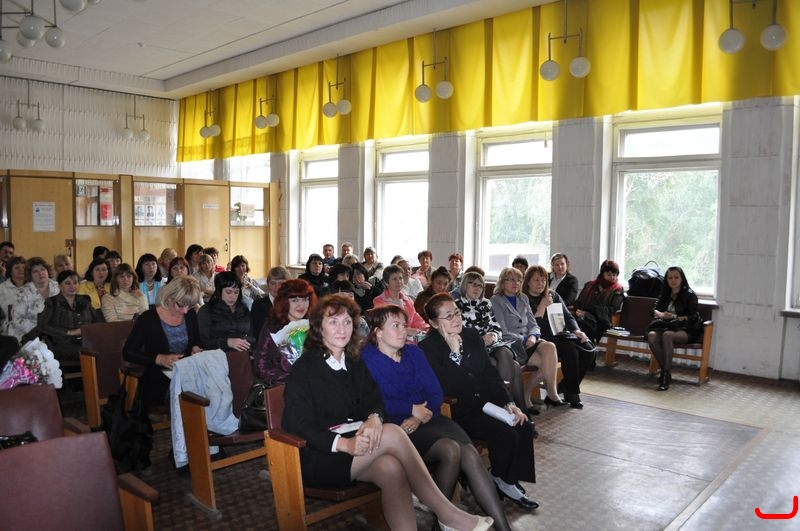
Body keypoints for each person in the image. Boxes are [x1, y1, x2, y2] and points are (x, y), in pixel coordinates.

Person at [282, 294, 493, 531]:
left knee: (392, 469)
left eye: (347, 322)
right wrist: (344, 444)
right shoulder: (305, 368)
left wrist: (374, 417)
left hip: (357, 443)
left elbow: (374, 398)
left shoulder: (353, 362)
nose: (342, 329)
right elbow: (298, 424)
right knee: (391, 432)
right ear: (319, 328)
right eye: (333, 322)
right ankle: (447, 515)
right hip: (321, 455)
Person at [361, 305, 513, 530]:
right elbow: (368, 401)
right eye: (396, 326)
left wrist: (419, 417)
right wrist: (410, 409)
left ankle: (502, 527)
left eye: (404, 325)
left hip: (429, 418)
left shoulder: (413, 353)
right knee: (450, 450)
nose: (403, 330)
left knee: (469, 453)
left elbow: (435, 393)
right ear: (378, 332)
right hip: (395, 428)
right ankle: (443, 520)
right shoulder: (366, 359)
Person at [420, 293, 538, 511]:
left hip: (486, 404)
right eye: (448, 316)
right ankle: (502, 480)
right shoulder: (428, 348)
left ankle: (504, 478)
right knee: (505, 433)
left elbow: (489, 374)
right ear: (434, 323)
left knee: (522, 425)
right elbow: (444, 387)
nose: (456, 319)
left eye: (456, 312)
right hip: (457, 411)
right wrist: (455, 354)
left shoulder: (472, 335)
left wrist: (508, 404)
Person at [455, 271, 533, 414]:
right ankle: (514, 409)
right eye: (473, 284)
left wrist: (493, 336)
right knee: (515, 367)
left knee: (504, 351)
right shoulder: (457, 306)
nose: (477, 288)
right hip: (472, 349)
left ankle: (511, 408)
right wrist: (481, 340)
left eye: (480, 285)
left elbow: (496, 327)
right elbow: (459, 333)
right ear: (465, 285)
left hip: (492, 344)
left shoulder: (486, 303)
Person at [123, 276, 203, 410]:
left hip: (186, 374)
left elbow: (197, 340)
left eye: (189, 306)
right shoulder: (148, 319)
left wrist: (195, 347)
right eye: (181, 305)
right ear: (169, 298)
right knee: (190, 399)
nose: (185, 310)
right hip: (157, 379)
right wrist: (159, 358)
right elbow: (128, 352)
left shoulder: (190, 315)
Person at [490, 267, 566, 408]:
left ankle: (550, 393)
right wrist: (525, 339)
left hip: (529, 341)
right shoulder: (496, 300)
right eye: (511, 280)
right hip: (512, 344)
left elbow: (533, 323)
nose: (516, 283)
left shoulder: (523, 298)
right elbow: (502, 330)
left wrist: (533, 336)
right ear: (503, 282)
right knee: (546, 362)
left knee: (550, 347)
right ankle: (529, 395)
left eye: (519, 280)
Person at [523, 265, 593, 408]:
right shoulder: (524, 298)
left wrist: (577, 331)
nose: (541, 284)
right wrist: (542, 306)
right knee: (570, 351)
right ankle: (572, 393)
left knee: (589, 349)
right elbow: (531, 327)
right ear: (528, 281)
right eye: (536, 280)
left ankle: (565, 386)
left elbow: (568, 317)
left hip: (559, 334)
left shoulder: (552, 295)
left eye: (543, 280)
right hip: (541, 339)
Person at [647, 266, 703, 391]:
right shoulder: (665, 293)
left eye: (676, 277)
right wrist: (661, 314)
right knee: (651, 336)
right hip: (666, 326)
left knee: (667, 335)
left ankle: (665, 376)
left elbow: (693, 317)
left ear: (682, 278)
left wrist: (676, 317)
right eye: (670, 278)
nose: (673, 280)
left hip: (686, 330)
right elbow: (654, 309)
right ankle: (666, 371)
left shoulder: (689, 295)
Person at [253, 279, 316, 384]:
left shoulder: (314, 325)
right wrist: (289, 377)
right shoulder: (272, 327)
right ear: (285, 302)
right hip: (282, 387)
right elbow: (260, 367)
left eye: (305, 299)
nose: (301, 305)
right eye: (295, 300)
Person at [38, 270, 100, 362]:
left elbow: (97, 321)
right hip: (64, 343)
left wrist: (90, 332)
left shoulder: (85, 300)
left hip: (87, 340)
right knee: (88, 353)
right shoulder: (52, 302)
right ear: (60, 286)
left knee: (106, 347)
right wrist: (70, 332)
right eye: (67, 283)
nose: (72, 286)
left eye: (75, 283)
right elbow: (42, 326)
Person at [2, 257, 59, 341]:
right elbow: (17, 319)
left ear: (47, 271)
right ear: (30, 275)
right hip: (26, 336)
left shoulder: (59, 288)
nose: (40, 273)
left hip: (57, 334)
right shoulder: (23, 293)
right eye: (35, 271)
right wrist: (42, 330)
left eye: (42, 269)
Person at [197, 271, 252, 352]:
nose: (233, 296)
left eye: (236, 292)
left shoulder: (243, 308)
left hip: (242, 354)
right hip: (216, 356)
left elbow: (250, 333)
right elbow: (203, 343)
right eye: (228, 292)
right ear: (219, 291)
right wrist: (227, 342)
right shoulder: (206, 311)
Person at [573, 259, 624, 343]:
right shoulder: (590, 285)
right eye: (609, 274)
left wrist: (588, 312)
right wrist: (577, 310)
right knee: (573, 322)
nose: (612, 277)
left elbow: (613, 309)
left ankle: (586, 347)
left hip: (603, 319)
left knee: (584, 325)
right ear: (602, 274)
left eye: (614, 275)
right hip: (584, 316)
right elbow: (579, 302)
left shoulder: (618, 289)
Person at [372, 265, 428, 337]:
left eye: (400, 278)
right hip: (390, 338)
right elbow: (385, 324)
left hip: (410, 338)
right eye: (394, 279)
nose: (398, 281)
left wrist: (426, 328)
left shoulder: (408, 300)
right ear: (386, 283)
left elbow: (416, 319)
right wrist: (406, 330)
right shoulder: (379, 301)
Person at [249, 265, 289, 341]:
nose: (277, 287)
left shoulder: (292, 304)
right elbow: (258, 333)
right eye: (273, 283)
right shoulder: (258, 305)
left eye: (281, 283)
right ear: (268, 285)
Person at [0, 257, 29, 337]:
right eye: (17, 268)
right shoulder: (2, 289)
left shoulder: (35, 287)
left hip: (32, 332)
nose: (21, 270)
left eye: (23, 267)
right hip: (8, 334)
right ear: (10, 272)